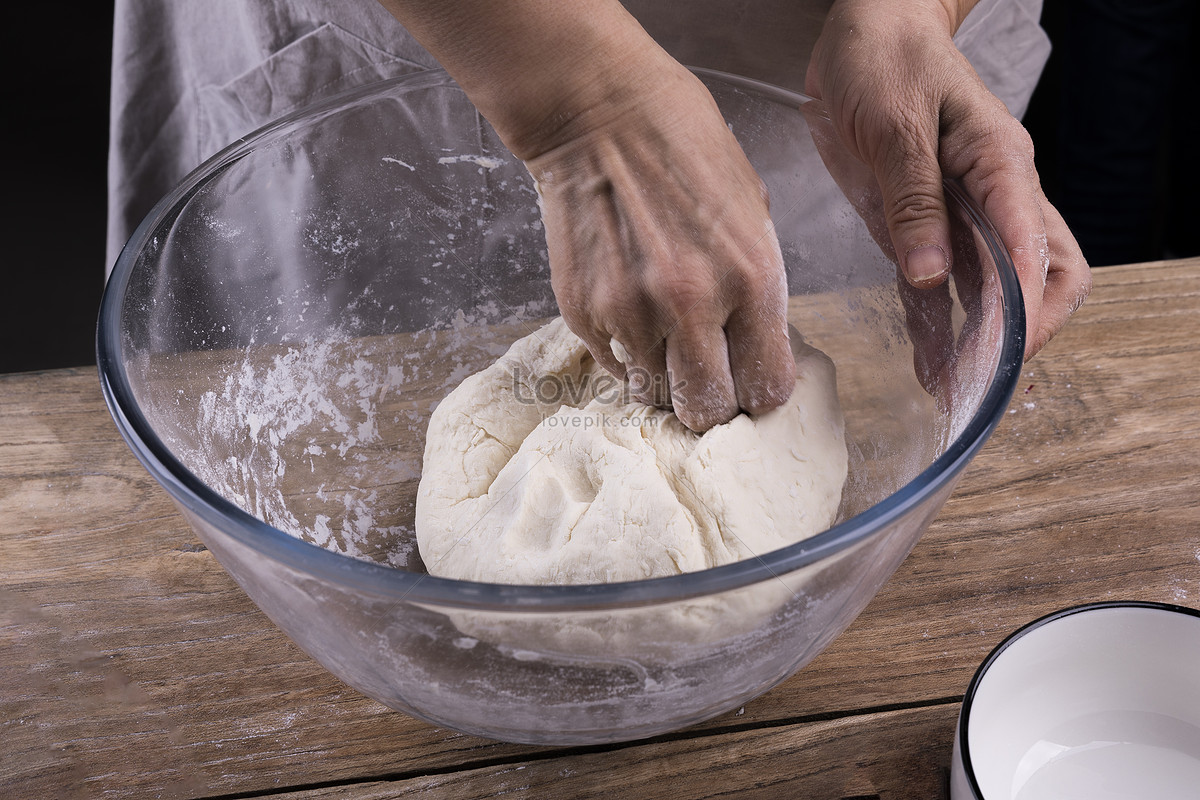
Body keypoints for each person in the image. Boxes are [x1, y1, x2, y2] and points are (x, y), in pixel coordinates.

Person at [108, 0, 1091, 431]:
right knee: (327, 410)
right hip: (423, 59)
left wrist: (911, 11)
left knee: (768, 374)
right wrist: (577, 95)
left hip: (837, 67)